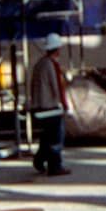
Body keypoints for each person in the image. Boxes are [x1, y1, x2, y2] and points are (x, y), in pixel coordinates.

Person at [29, 33, 73, 176]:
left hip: (38, 106)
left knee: (45, 136)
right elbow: (57, 86)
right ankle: (55, 166)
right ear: (57, 48)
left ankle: (40, 160)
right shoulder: (52, 65)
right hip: (51, 107)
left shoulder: (39, 64)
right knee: (55, 138)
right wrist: (65, 104)